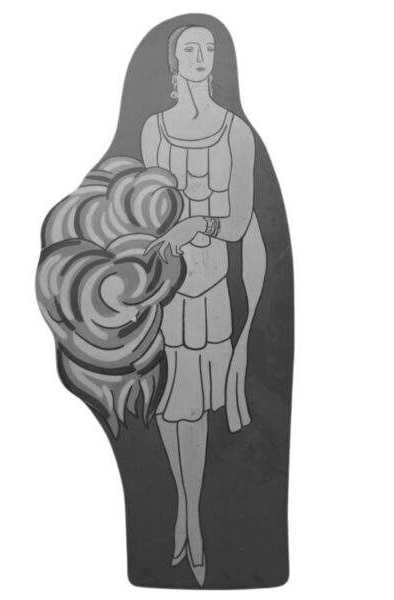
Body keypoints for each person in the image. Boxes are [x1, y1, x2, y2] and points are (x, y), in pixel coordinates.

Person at [141, 24, 267, 587]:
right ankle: (184, 510)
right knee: (170, 408)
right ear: (173, 62)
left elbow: (238, 221)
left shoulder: (236, 132)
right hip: (165, 287)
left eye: (209, 49)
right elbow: (149, 208)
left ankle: (191, 519)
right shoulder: (152, 129)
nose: (201, 57)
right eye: (190, 49)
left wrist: (196, 224)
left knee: (193, 410)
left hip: (211, 292)